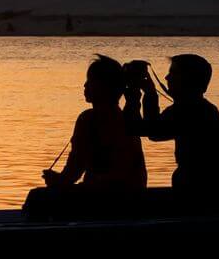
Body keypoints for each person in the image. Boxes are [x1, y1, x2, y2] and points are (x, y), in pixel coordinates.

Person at [24, 54, 149, 218]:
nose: (85, 85)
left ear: (104, 86)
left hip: (107, 199)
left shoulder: (89, 120)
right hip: (127, 198)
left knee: (37, 198)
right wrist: (60, 181)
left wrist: (58, 181)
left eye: (90, 81)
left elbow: (75, 172)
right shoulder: (127, 117)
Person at [130, 54, 219, 214]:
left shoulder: (190, 109)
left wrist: (139, 95)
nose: (167, 77)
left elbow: (151, 131)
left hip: (200, 193)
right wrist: (145, 94)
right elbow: (150, 130)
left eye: (173, 73)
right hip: (209, 189)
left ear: (187, 79)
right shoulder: (200, 108)